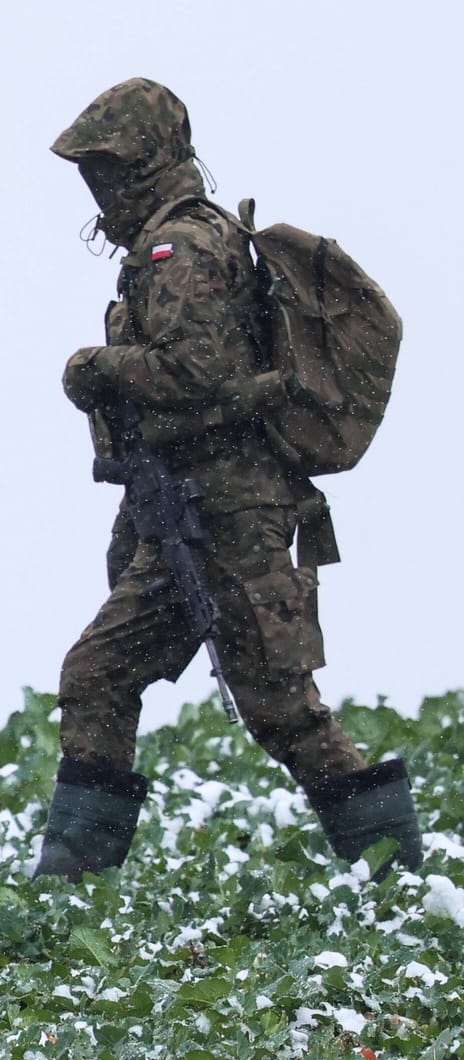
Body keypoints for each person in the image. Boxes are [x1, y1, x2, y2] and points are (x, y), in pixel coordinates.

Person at [35, 80, 422, 880]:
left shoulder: (181, 247)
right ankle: (71, 885)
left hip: (227, 506)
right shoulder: (185, 240)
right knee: (104, 675)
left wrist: (93, 368)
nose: (98, 189)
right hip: (193, 506)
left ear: (144, 161)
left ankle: (400, 878)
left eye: (106, 169)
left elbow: (197, 371)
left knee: (280, 708)